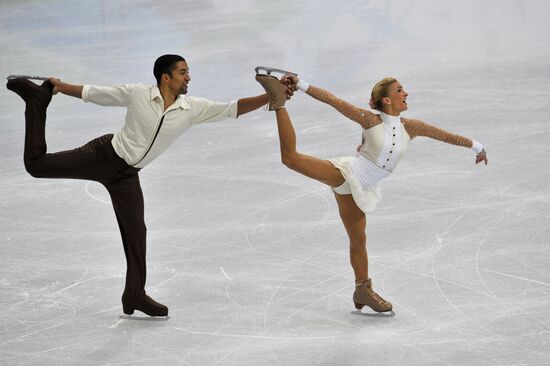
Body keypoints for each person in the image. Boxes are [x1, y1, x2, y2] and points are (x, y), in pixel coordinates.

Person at [6, 54, 289, 317]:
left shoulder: (191, 109)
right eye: (183, 72)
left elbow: (232, 109)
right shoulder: (138, 93)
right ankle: (35, 102)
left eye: (188, 72)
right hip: (103, 156)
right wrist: (58, 87)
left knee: (137, 232)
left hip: (127, 175)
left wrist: (270, 95)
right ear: (165, 77)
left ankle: (134, 295)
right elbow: (93, 93)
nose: (188, 77)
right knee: (37, 165)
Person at [255, 73, 488, 312]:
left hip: (360, 188)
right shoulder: (370, 120)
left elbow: (445, 136)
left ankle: (362, 290)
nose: (405, 93)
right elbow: (334, 101)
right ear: (386, 100)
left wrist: (477, 147)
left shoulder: (412, 127)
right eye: (399, 90)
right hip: (348, 172)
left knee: (359, 240)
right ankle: (279, 103)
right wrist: (301, 84)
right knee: (291, 159)